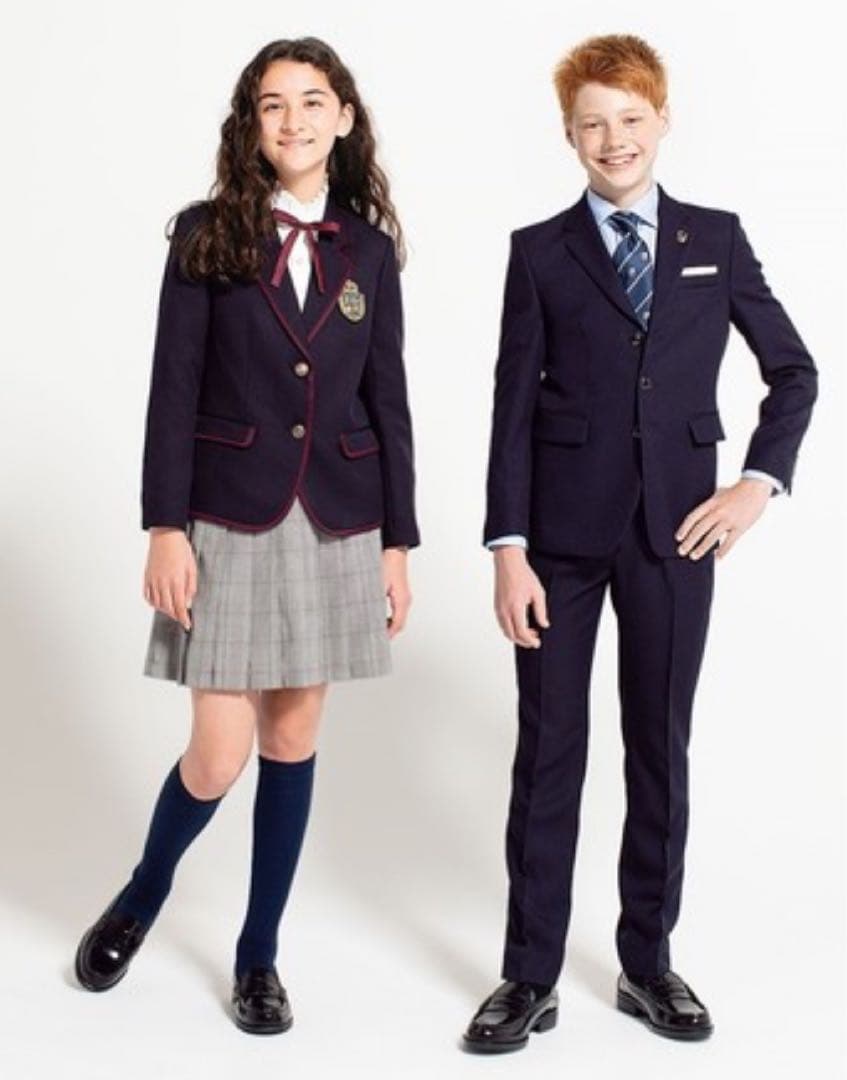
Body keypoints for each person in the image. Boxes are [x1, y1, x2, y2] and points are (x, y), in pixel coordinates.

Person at [463, 33, 817, 1052]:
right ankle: (528, 974)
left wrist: (755, 483)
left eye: (629, 119)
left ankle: (647, 963)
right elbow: (509, 409)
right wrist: (507, 547)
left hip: (677, 534)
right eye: (592, 123)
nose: (612, 139)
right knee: (548, 751)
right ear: (567, 135)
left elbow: (793, 371)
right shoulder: (539, 251)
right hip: (557, 541)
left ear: (661, 120)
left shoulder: (716, 238)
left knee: (658, 746)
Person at [73, 36, 420, 1036]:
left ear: (343, 117)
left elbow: (388, 396)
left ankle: (258, 954)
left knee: (293, 738)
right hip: (227, 512)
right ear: (251, 124)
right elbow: (171, 389)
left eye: (312, 101)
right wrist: (164, 528)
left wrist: (398, 543)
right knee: (218, 755)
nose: (294, 120)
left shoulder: (368, 250)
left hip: (338, 516)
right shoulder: (204, 235)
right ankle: (142, 895)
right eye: (274, 104)